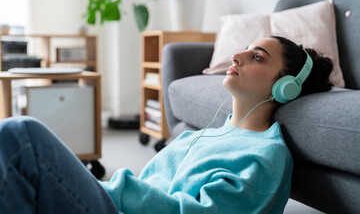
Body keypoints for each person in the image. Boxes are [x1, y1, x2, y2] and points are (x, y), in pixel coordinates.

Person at [0, 36, 333, 214]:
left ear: (285, 86)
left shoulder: (266, 156)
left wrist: (104, 189)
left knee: (23, 137)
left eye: (257, 57)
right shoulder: (201, 135)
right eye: (244, 50)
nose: (237, 57)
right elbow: (149, 185)